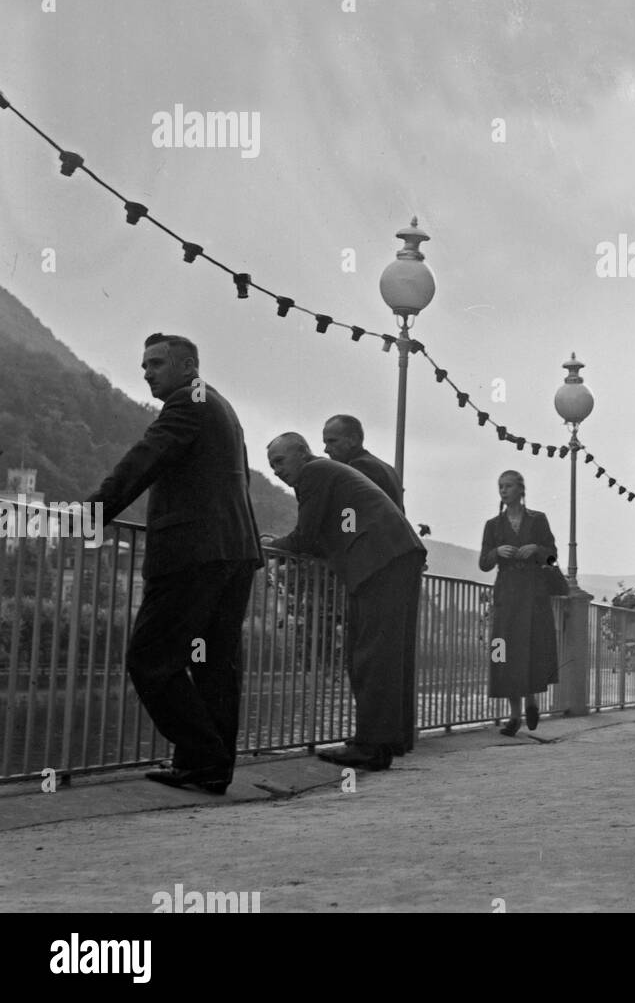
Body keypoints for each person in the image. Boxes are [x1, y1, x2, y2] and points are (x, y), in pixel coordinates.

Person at [85, 334, 262, 794]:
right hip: (234, 551)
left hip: (193, 553)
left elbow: (145, 459)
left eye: (157, 363)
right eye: (144, 364)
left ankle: (203, 757)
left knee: (150, 659)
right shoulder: (221, 406)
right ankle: (208, 767)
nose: (147, 372)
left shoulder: (187, 402)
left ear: (188, 366)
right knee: (214, 664)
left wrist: (94, 513)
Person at [264, 434, 426, 769]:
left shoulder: (312, 474)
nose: (277, 471)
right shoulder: (328, 472)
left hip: (379, 559)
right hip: (393, 555)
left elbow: (304, 538)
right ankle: (382, 743)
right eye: (272, 465)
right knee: (382, 654)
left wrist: (265, 546)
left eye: (280, 461)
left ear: (301, 454)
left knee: (369, 654)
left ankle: (370, 746)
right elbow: (320, 538)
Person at [478, 471, 559, 735]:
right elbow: (484, 564)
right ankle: (514, 716)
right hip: (508, 595)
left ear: (520, 490)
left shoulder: (538, 520)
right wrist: (495, 552)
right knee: (508, 651)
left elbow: (552, 558)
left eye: (508, 486)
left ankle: (532, 701)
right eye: (500, 486)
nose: (503, 490)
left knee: (532, 647)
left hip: (534, 593)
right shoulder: (493, 525)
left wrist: (537, 550)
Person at [321, 414, 403, 511]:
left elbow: (350, 512)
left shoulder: (359, 468)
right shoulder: (388, 469)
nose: (326, 450)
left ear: (353, 440)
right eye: (326, 443)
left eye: (332, 441)